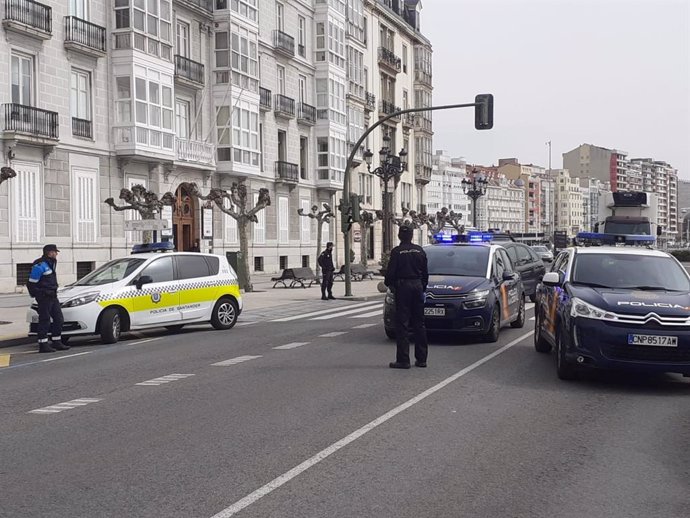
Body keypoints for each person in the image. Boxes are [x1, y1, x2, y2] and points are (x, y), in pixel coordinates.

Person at [384, 225, 429, 369]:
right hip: (417, 286)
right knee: (419, 323)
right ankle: (421, 359)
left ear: (399, 236)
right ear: (411, 235)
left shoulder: (397, 252)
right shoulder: (420, 250)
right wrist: (422, 286)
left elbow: (390, 273)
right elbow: (425, 272)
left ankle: (403, 360)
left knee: (402, 324)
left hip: (403, 287)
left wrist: (391, 285)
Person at [27, 244, 68, 353]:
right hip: (45, 297)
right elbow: (31, 284)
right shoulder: (40, 265)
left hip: (53, 296)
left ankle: (57, 341)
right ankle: (43, 344)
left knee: (59, 318)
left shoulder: (51, 263)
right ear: (49, 252)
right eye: (55, 252)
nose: (56, 254)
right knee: (44, 320)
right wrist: (39, 294)